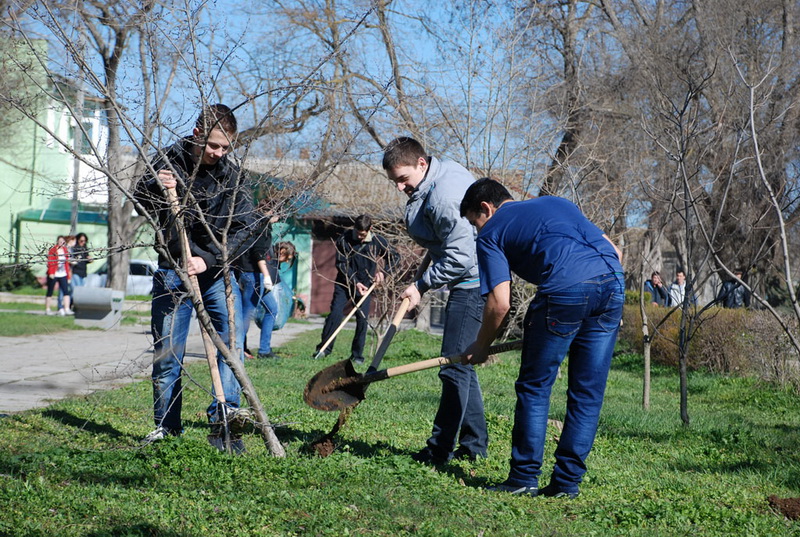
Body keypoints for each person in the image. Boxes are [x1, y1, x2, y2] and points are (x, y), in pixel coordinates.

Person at [459, 178, 624, 499]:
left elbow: (500, 302)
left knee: (535, 387)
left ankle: (523, 477)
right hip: (613, 283)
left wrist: (481, 346)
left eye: (474, 224)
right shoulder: (557, 203)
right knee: (587, 393)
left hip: (565, 289)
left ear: (485, 208)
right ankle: (566, 484)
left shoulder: (492, 232)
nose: (477, 232)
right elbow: (614, 249)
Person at [133, 104, 257, 451]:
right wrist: (157, 186)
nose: (218, 154)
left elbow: (246, 226)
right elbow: (139, 201)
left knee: (230, 347)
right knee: (167, 353)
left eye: (225, 148)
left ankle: (225, 417)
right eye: (214, 145)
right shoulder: (168, 160)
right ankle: (167, 427)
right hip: (173, 271)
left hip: (215, 274)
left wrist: (211, 260)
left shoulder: (231, 177)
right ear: (197, 134)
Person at [382, 137, 487, 465]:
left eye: (403, 179)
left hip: (473, 282)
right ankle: (473, 446)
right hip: (474, 279)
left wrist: (422, 285)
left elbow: (461, 255)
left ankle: (439, 449)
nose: (400, 187)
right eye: (394, 181)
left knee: (452, 366)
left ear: (422, 164)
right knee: (462, 364)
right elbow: (443, 242)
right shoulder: (439, 175)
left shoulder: (443, 195)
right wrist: (420, 279)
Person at [314, 214, 397, 364]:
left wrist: (383, 273)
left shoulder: (378, 241)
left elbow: (395, 257)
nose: (359, 236)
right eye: (357, 232)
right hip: (345, 284)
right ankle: (324, 349)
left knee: (362, 320)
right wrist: (355, 282)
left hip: (366, 287)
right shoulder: (345, 239)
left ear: (370, 229)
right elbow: (341, 264)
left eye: (362, 234)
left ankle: (357, 356)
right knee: (335, 315)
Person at [45, 235, 73, 316]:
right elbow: (50, 261)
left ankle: (67, 308)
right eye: (60, 241)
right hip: (54, 273)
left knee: (66, 291)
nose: (61, 243)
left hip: (63, 274)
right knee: (50, 291)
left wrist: (68, 276)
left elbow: (67, 263)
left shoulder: (65, 250)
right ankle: (47, 309)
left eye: (63, 241)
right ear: (57, 241)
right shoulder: (53, 250)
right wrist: (51, 273)